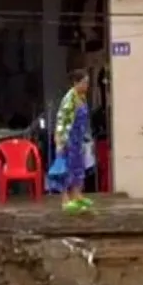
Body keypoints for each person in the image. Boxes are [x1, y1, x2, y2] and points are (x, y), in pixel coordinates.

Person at [53, 69, 93, 213]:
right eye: (84, 82)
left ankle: (76, 195)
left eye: (87, 82)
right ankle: (65, 200)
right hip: (68, 138)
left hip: (78, 139)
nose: (87, 85)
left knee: (78, 168)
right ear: (76, 83)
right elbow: (61, 120)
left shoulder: (82, 97)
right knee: (66, 170)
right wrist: (59, 141)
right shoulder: (69, 98)